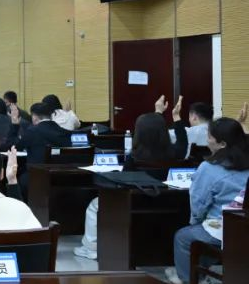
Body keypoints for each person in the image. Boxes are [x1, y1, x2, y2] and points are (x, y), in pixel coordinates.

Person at [76, 95, 189, 260]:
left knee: (95, 205)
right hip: (169, 202)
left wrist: (158, 112)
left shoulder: (135, 157)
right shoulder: (175, 154)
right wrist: (176, 117)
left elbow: (125, 180)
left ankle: (90, 247)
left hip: (136, 202)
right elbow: (183, 142)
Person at [168, 116, 249, 284]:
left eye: (210, 136)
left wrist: (195, 222)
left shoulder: (209, 168)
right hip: (244, 226)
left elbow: (198, 203)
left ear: (222, 144)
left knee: (184, 237)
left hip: (225, 228)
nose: (207, 140)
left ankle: (192, 281)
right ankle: (198, 273)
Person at [8, 101, 73, 171]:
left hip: (37, 174)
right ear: (51, 116)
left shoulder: (32, 131)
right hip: (61, 174)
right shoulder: (64, 132)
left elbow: (14, 147)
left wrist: (14, 125)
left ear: (34, 117)